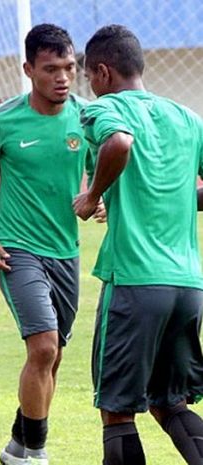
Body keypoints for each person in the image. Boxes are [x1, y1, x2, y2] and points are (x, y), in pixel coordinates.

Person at [0, 24, 103, 465]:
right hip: (16, 249)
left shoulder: (87, 118)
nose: (62, 77)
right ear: (28, 70)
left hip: (66, 252)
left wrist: (102, 201)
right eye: (50, 68)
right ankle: (35, 455)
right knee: (42, 347)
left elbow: (105, 172)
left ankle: (18, 445)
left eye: (69, 67)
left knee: (53, 358)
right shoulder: (1, 121)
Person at [73, 24, 203, 465]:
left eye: (89, 76)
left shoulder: (105, 108)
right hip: (188, 286)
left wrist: (92, 197)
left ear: (103, 72)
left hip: (134, 281)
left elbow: (119, 142)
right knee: (171, 404)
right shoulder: (187, 118)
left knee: (117, 411)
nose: (89, 85)